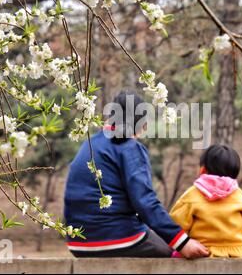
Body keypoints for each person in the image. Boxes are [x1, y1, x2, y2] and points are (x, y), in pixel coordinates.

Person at [64, 90, 209, 258]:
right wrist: (183, 242)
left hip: (78, 244)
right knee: (175, 255)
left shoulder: (90, 143)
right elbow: (145, 201)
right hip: (119, 239)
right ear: (142, 124)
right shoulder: (129, 147)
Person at [170, 144, 242, 258]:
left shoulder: (192, 194)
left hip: (201, 251)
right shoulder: (240, 196)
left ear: (202, 169)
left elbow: (177, 224)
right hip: (237, 253)